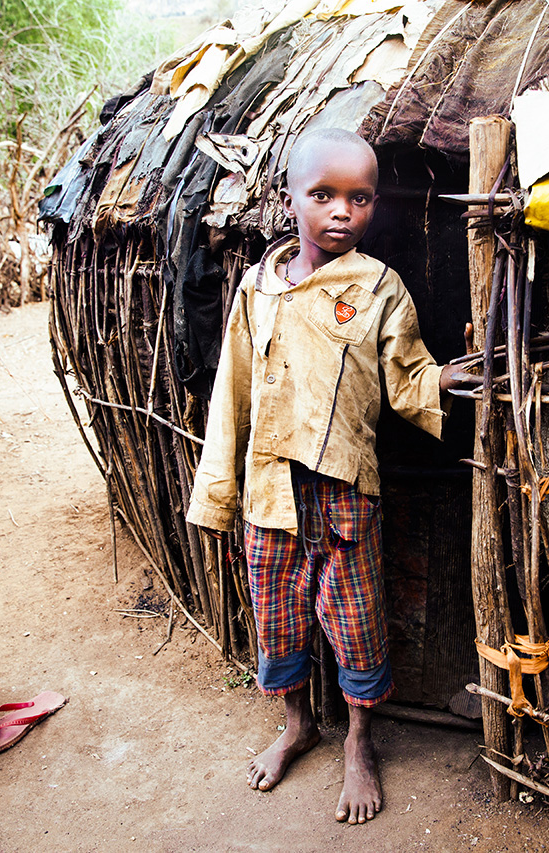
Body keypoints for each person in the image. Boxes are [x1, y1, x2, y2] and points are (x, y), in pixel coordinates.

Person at [186, 128, 466, 824]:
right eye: (324, 195)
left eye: (360, 198)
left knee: (358, 623)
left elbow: (406, 380)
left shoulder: (378, 289)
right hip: (271, 491)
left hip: (344, 491)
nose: (342, 211)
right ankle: (297, 724)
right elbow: (232, 396)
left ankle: (359, 742)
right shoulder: (257, 289)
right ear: (290, 200)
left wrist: (445, 379)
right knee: (278, 617)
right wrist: (219, 501)